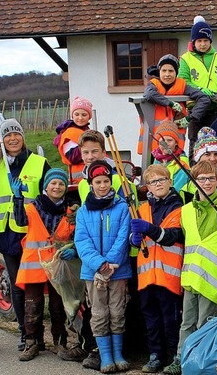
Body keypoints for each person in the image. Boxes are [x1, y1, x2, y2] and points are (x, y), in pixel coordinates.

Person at [163, 160, 217, 375]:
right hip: (191, 276)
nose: (207, 183)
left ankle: (200, 362)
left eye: (211, 178)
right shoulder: (187, 210)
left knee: (204, 324)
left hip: (211, 278)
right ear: (194, 182)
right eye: (202, 179)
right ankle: (181, 359)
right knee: (186, 322)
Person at [0, 119, 51, 351]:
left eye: (16, 134)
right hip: (7, 232)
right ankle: (24, 332)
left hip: (32, 233)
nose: (12, 139)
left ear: (23, 136)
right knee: (17, 283)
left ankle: (39, 333)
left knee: (34, 283)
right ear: (2, 140)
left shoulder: (38, 162)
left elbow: (49, 195)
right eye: (7, 135)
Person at [74, 160, 132, 374]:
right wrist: (100, 264)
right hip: (94, 272)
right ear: (91, 184)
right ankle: (105, 355)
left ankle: (118, 353)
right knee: (99, 313)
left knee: (117, 311)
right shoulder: (83, 212)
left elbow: (123, 236)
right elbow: (82, 241)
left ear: (111, 182)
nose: (102, 185)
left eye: (106, 181)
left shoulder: (122, 207)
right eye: (97, 181)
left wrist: (112, 262)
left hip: (118, 269)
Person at [129, 164, 185, 373]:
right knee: (150, 318)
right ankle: (155, 355)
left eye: (162, 180)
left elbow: (172, 236)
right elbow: (134, 238)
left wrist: (148, 229)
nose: (158, 184)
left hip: (168, 276)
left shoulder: (179, 207)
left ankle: (173, 356)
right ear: (148, 187)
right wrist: (133, 238)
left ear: (170, 182)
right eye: (153, 181)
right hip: (146, 277)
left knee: (171, 319)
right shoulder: (142, 209)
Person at [13, 168, 71, 361]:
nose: (57, 187)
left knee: (57, 306)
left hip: (57, 267)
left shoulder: (70, 211)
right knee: (33, 305)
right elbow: (20, 221)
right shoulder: (32, 207)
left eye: (61, 184)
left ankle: (59, 343)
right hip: (34, 266)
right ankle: (31, 343)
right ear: (46, 186)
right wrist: (17, 198)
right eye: (53, 183)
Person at [139, 54, 211, 157]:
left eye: (171, 71)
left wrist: (190, 118)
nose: (167, 74)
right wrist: (170, 103)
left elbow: (204, 99)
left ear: (176, 73)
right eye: (164, 71)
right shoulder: (153, 84)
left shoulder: (182, 85)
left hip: (175, 142)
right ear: (159, 72)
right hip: (154, 141)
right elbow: (149, 94)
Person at [179, 15, 217, 150]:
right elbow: (182, 81)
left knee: (214, 141)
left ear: (210, 41)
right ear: (193, 41)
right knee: (194, 141)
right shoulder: (186, 59)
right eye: (199, 40)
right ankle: (193, 170)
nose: (203, 44)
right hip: (194, 106)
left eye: (206, 40)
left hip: (213, 106)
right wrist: (200, 90)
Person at [54, 96, 94, 183]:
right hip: (79, 180)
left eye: (84, 115)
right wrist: (92, 149)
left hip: (91, 176)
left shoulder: (86, 131)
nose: (80, 118)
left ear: (89, 117)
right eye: (77, 114)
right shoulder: (69, 133)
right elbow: (72, 157)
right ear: (72, 115)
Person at [151, 119, 190, 192]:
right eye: (162, 141)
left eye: (169, 140)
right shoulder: (157, 159)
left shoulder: (182, 163)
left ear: (176, 143)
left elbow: (178, 189)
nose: (165, 144)